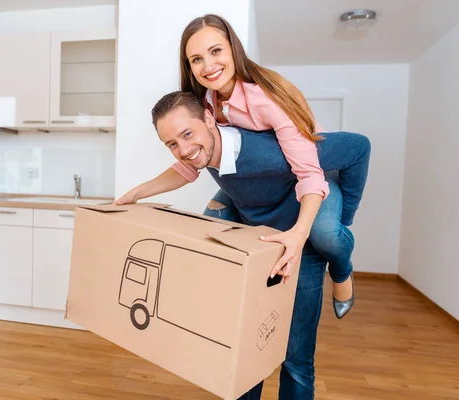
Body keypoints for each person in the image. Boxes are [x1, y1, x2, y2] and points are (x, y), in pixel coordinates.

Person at [117, 14, 369, 319]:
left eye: (215, 51)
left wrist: (299, 234)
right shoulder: (204, 103)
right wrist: (137, 193)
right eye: (196, 59)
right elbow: (190, 164)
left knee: (326, 233)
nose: (208, 66)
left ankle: (342, 272)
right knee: (212, 220)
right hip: (259, 177)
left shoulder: (265, 98)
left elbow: (307, 172)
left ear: (233, 49)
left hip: (310, 162)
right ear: (189, 67)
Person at [143, 90, 370, 399]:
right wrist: (134, 195)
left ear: (209, 119)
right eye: (172, 143)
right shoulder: (204, 148)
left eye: (187, 134)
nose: (183, 149)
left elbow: (358, 147)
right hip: (261, 237)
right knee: (250, 353)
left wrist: (346, 217)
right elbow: (185, 170)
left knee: (296, 359)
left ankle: (342, 269)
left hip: (300, 238)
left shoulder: (271, 151)